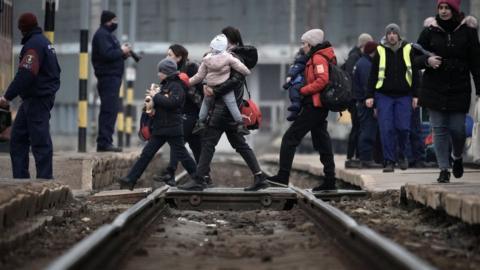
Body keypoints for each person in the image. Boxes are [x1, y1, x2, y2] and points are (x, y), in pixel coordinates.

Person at [178, 26, 269, 192]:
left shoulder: (233, 58)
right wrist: (207, 85)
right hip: (226, 107)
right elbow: (211, 77)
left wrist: (214, 90)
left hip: (224, 108)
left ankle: (199, 179)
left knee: (208, 143)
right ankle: (259, 176)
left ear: (231, 41)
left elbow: (235, 80)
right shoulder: (223, 56)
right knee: (239, 145)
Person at [414, 0, 480, 183]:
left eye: (447, 8)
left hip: (459, 88)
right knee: (439, 130)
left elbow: (476, 62)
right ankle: (444, 169)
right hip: (434, 88)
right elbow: (414, 56)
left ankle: (456, 156)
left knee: (458, 129)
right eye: (440, 8)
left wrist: (479, 88)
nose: (443, 11)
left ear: (454, 10)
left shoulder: (468, 31)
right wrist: (427, 61)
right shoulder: (429, 31)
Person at [267, 28, 337, 191]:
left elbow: (322, 80)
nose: (303, 47)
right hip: (317, 106)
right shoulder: (316, 56)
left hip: (314, 106)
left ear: (311, 44)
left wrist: (303, 90)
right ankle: (330, 180)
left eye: (304, 43)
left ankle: (283, 176)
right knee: (322, 142)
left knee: (290, 138)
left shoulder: (318, 58)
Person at [118, 58, 197, 190]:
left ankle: (198, 178)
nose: (158, 74)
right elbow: (162, 104)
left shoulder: (177, 86)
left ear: (166, 72)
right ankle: (130, 180)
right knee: (146, 154)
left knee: (182, 155)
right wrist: (151, 106)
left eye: (160, 71)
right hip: (160, 127)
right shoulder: (165, 85)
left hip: (172, 128)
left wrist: (156, 96)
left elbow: (173, 103)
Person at [0, 13, 60, 179]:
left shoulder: (33, 45)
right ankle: (21, 180)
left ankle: (45, 179)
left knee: (40, 140)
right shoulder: (44, 42)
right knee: (18, 139)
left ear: (23, 28)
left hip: (37, 98)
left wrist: (7, 97)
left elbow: (26, 74)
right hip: (34, 98)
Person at [366, 23, 419, 173]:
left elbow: (415, 73)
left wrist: (416, 95)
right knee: (386, 129)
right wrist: (369, 96)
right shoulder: (380, 50)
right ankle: (389, 161)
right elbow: (373, 75)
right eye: (389, 33)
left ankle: (402, 154)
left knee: (403, 128)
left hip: (404, 95)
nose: (391, 36)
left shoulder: (408, 49)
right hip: (384, 95)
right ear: (386, 35)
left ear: (398, 35)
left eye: (394, 33)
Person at [155, 44, 204, 186]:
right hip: (182, 112)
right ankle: (204, 176)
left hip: (193, 111)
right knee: (195, 145)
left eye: (170, 55)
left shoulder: (191, 68)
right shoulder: (171, 71)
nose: (167, 58)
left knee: (178, 141)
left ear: (179, 57)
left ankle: (170, 172)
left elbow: (201, 90)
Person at [190, 34, 251, 135]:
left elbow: (199, 76)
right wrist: (247, 72)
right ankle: (240, 125)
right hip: (225, 87)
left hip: (210, 86)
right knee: (232, 105)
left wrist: (188, 82)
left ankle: (200, 123)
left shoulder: (206, 59)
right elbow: (240, 67)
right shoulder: (228, 58)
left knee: (205, 104)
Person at [92, 10, 131, 152]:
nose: (116, 23)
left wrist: (123, 53)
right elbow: (107, 54)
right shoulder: (102, 35)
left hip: (113, 77)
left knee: (112, 109)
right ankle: (104, 142)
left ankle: (106, 141)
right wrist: (121, 51)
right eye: (113, 20)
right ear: (107, 21)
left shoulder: (108, 35)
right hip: (107, 77)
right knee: (109, 110)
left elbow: (113, 55)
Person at [344, 33, 374, 168]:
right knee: (357, 128)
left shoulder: (356, 57)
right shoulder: (355, 58)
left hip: (355, 98)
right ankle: (352, 157)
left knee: (358, 127)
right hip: (355, 99)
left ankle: (354, 156)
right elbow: (353, 79)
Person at [352, 41, 383, 168]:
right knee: (368, 131)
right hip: (366, 103)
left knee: (366, 130)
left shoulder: (362, 62)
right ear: (373, 52)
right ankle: (366, 159)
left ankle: (366, 158)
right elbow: (367, 86)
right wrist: (374, 104)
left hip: (363, 102)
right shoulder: (366, 65)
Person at [282, 49, 307, 121]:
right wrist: (288, 84)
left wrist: (290, 76)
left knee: (294, 91)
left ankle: (296, 104)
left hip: (300, 83)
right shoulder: (301, 64)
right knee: (292, 91)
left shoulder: (299, 64)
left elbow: (294, 72)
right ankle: (294, 113)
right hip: (297, 83)